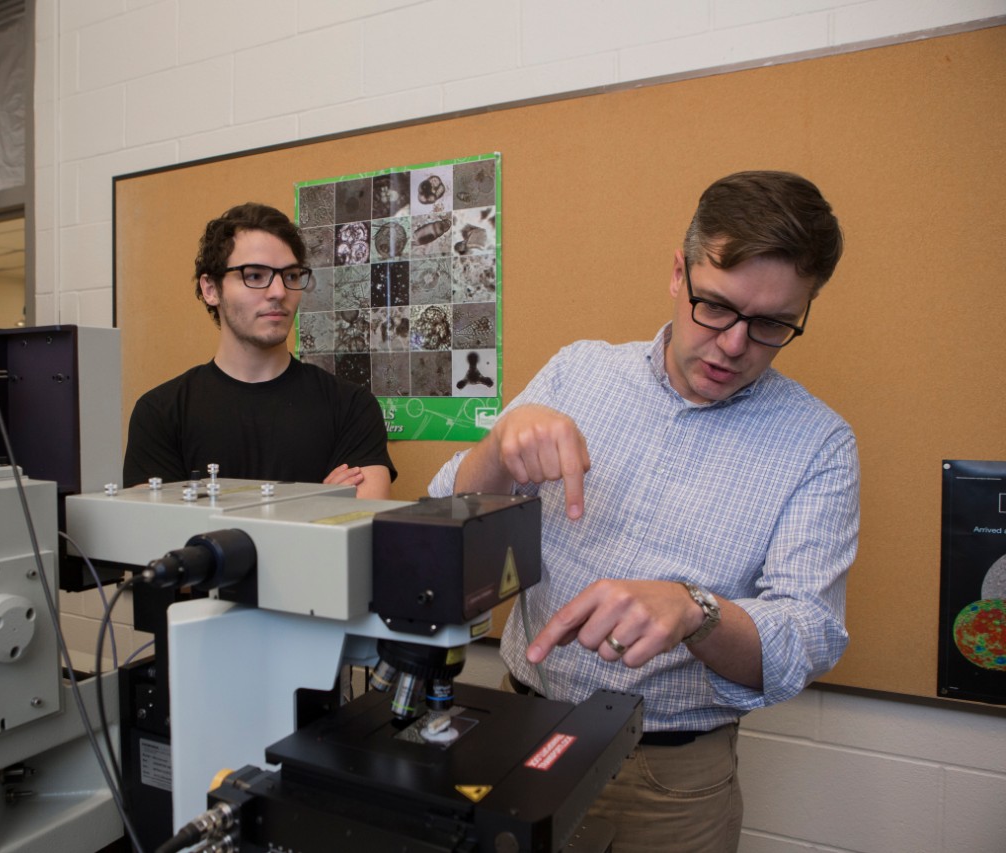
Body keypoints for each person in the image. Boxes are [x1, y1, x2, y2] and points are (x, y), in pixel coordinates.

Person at [428, 171, 858, 852]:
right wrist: (496, 453)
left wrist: (697, 609)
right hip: (518, 728)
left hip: (670, 783)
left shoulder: (819, 444)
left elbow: (808, 633)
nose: (735, 344)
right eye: (715, 305)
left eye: (772, 323)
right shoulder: (579, 373)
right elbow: (444, 517)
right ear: (677, 272)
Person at [123, 202, 395, 497]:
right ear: (211, 288)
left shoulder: (351, 407)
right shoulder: (161, 413)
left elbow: (359, 526)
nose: (279, 292)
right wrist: (314, 502)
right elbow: (158, 534)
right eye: (254, 275)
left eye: (290, 276)